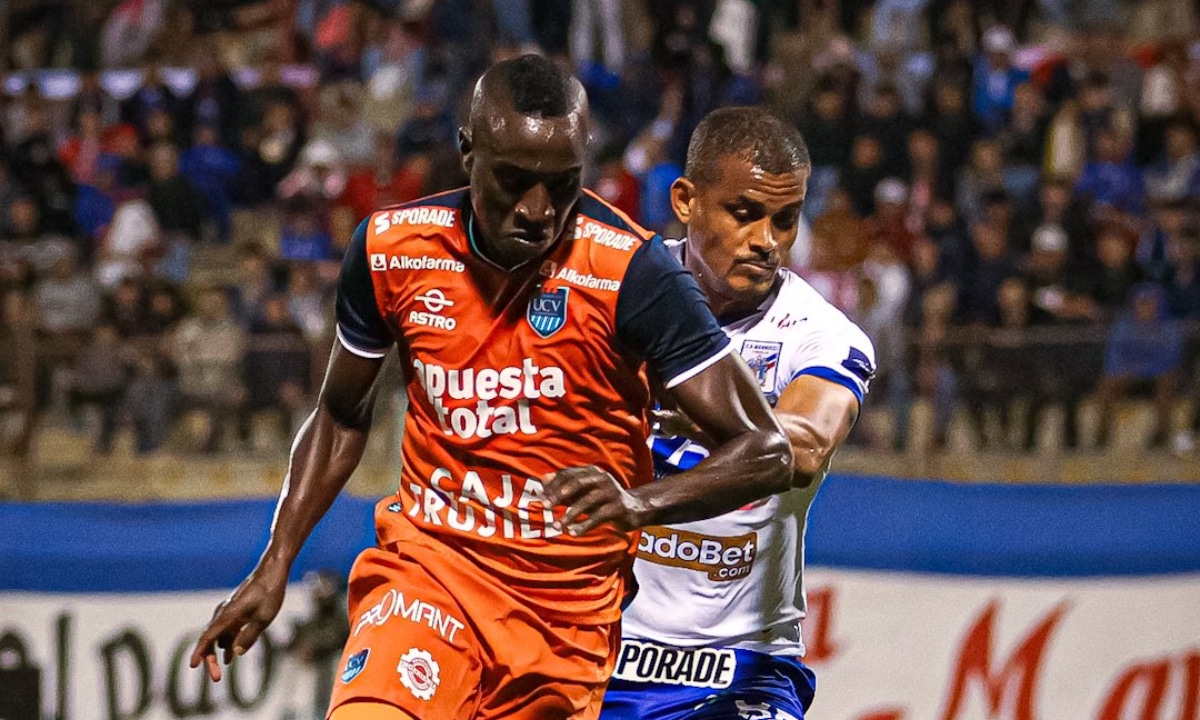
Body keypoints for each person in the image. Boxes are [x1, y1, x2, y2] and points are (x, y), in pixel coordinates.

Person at [190, 55, 792, 720]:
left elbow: (766, 450)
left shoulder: (634, 272)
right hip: (430, 574)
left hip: (563, 621)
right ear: (467, 152)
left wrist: (639, 502)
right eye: (513, 180)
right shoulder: (391, 250)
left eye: (561, 184)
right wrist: (275, 562)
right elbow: (340, 414)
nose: (538, 209)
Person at [600, 107, 875, 720]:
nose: (766, 241)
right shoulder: (613, 297)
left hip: (738, 671)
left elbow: (802, 447)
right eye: (744, 213)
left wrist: (692, 400)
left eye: (785, 219)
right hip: (596, 648)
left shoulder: (822, 335)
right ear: (686, 200)